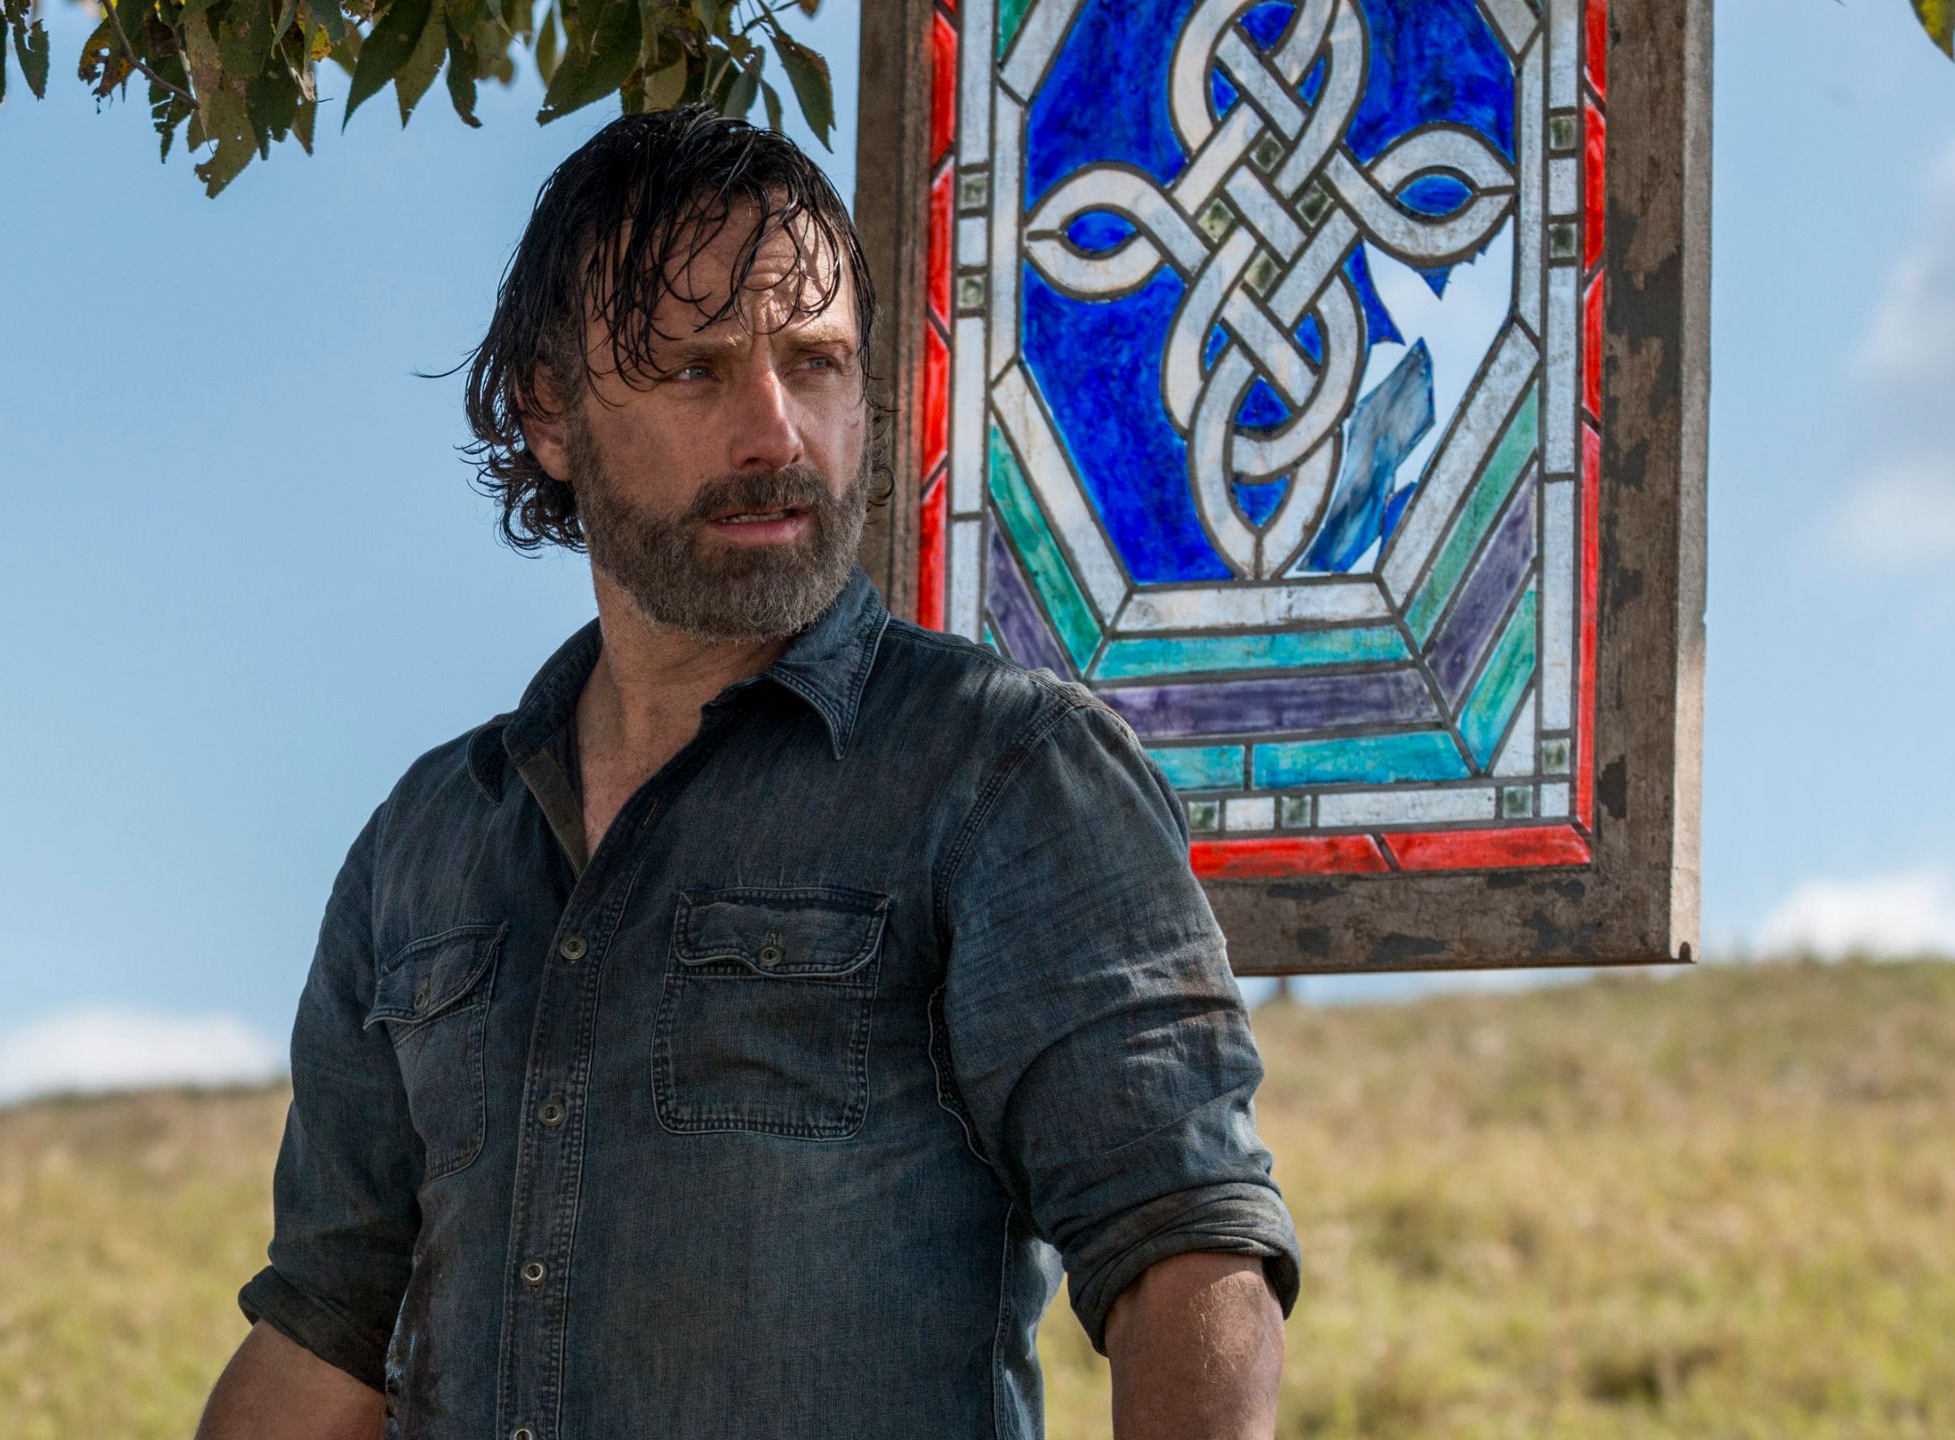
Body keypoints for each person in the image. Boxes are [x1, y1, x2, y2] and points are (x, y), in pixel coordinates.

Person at [193, 104, 1299, 1440]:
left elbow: (1187, 1247)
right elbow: (327, 1334)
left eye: (816, 363)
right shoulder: (423, 844)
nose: (776, 432)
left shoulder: (1007, 770)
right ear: (549, 412)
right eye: (696, 371)